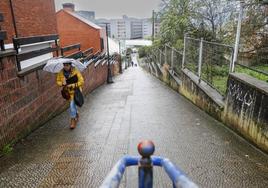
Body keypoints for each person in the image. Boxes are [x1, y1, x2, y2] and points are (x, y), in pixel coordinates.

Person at [56, 62, 84, 129]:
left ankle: (73, 120)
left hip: (75, 92)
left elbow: (82, 81)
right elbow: (57, 81)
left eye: (67, 65)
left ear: (70, 65)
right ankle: (76, 113)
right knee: (73, 106)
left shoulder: (75, 71)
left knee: (72, 106)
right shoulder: (61, 73)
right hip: (67, 93)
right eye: (64, 65)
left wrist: (73, 85)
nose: (66, 67)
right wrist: (62, 83)